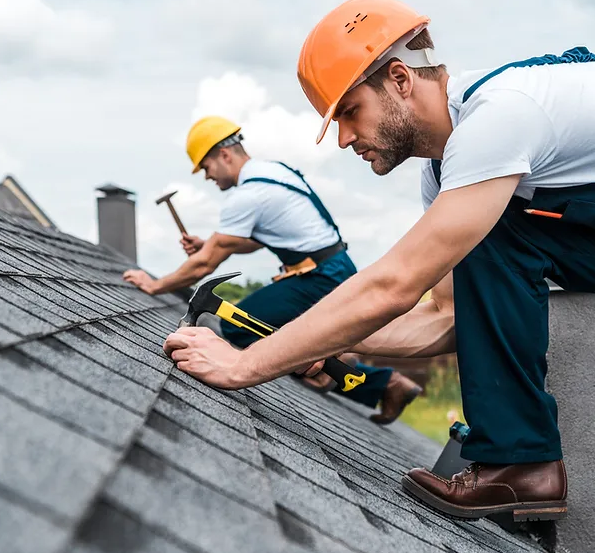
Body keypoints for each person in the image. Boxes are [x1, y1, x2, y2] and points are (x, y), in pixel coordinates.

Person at [163, 0, 595, 521]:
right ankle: (524, 467)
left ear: (399, 78)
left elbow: (394, 285)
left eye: (349, 112)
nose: (344, 138)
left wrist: (244, 363)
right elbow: (446, 315)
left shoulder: (500, 117)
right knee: (490, 235)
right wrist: (319, 343)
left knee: (491, 231)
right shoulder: (444, 175)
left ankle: (521, 465)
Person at [124, 115, 422, 423]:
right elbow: (252, 241)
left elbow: (205, 263)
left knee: (236, 327)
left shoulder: (249, 194)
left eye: (206, 167)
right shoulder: (273, 172)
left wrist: (154, 285)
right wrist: (210, 244)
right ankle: (372, 379)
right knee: (288, 338)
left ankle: (369, 377)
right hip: (330, 269)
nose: (207, 177)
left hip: (319, 277)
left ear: (224, 155)